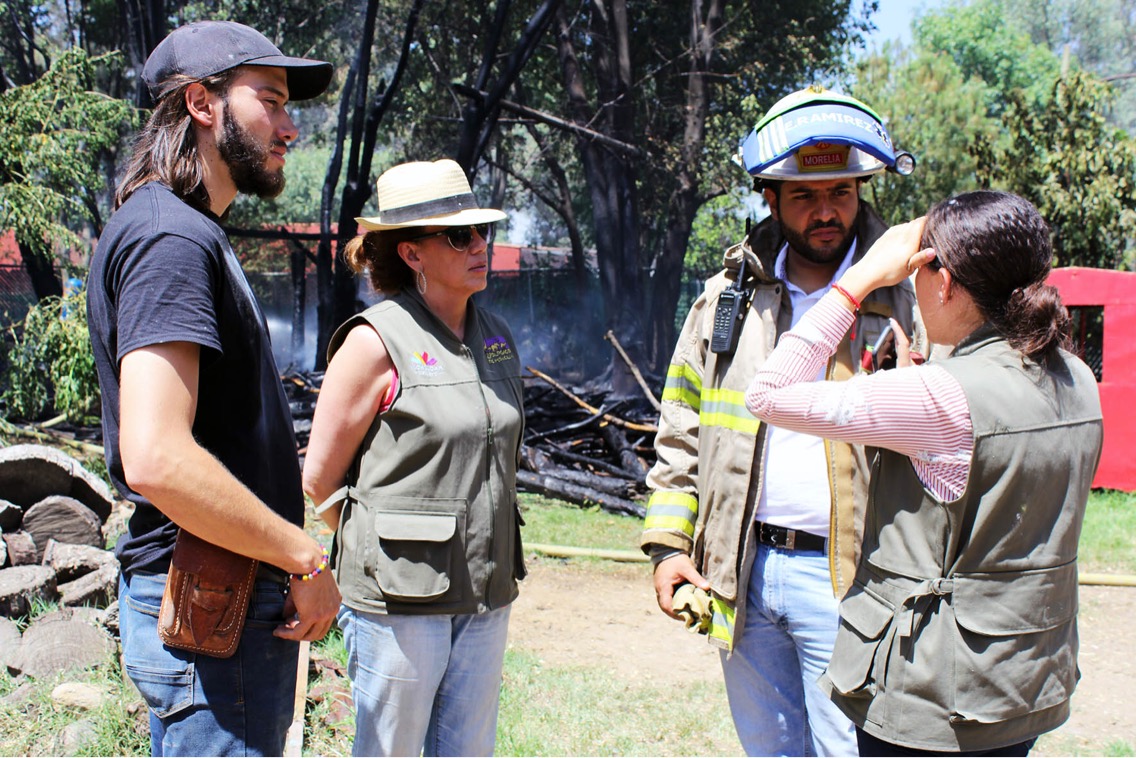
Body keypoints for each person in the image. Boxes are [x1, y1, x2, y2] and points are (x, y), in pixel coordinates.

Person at [744, 190, 1103, 756]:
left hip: (934, 698)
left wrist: (855, 281)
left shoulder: (937, 396)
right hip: (1022, 676)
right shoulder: (1074, 375)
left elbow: (767, 395)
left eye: (917, 268)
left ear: (945, 280)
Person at [86, 20, 339, 756]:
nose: (289, 127)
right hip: (213, 617)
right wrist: (305, 557)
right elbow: (157, 458)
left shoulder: (188, 231)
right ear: (202, 103)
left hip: (220, 611)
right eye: (270, 99)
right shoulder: (172, 239)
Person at [641, 86, 918, 757]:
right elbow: (681, 428)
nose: (827, 211)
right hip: (747, 575)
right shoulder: (725, 300)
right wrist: (670, 548)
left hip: (859, 580)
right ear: (769, 197)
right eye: (805, 196)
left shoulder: (913, 296)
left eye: (842, 193)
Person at [302, 158, 526, 757]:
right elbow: (319, 478)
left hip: (485, 590)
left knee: (467, 750)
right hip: (399, 601)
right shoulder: (374, 341)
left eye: (482, 232)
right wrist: (386, 553)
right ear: (411, 254)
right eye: (459, 236)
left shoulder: (495, 335)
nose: (479, 245)